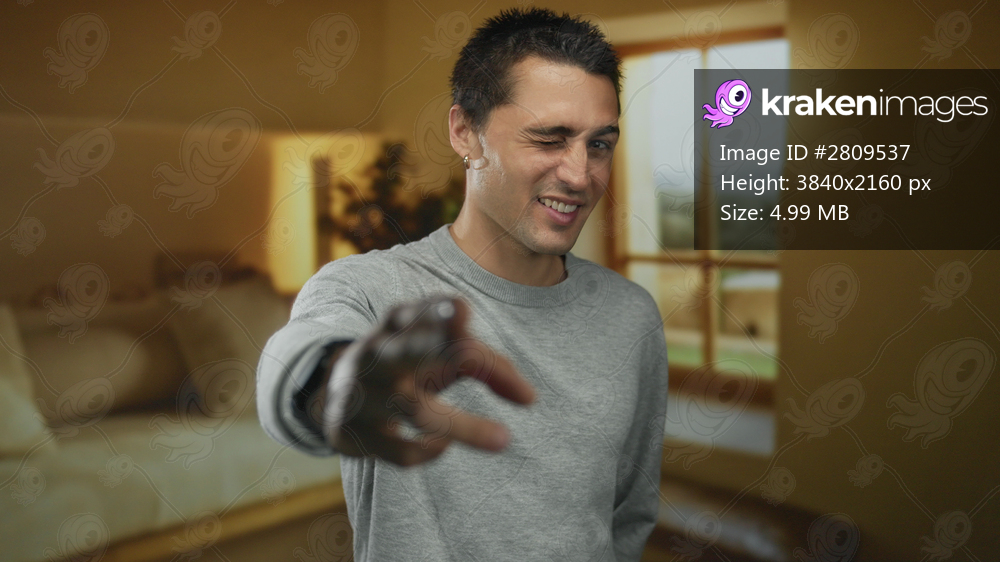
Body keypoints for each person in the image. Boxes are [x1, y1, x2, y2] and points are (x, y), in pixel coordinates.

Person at [257, 7, 668, 560]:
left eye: (599, 144)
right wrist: (331, 381)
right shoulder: (368, 289)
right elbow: (293, 360)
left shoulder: (632, 315)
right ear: (465, 132)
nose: (581, 175)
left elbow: (629, 516)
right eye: (549, 139)